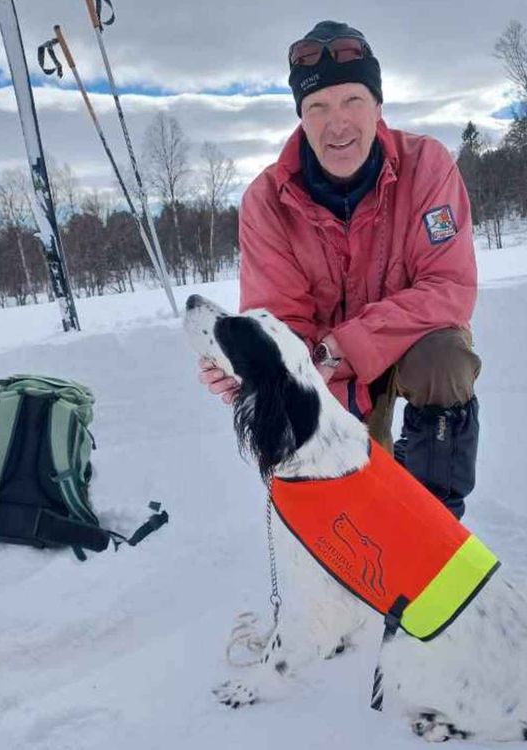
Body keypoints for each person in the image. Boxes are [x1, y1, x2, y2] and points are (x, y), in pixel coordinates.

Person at [199, 20, 482, 519]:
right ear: (301, 119)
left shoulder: (427, 166)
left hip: (402, 348)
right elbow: (283, 327)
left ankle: (436, 520)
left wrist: (343, 346)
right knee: (348, 497)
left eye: (352, 100)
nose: (338, 124)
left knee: (446, 356)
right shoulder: (266, 201)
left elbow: (448, 289)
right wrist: (250, 368)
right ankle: (348, 518)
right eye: (318, 107)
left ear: (377, 106)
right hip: (324, 370)